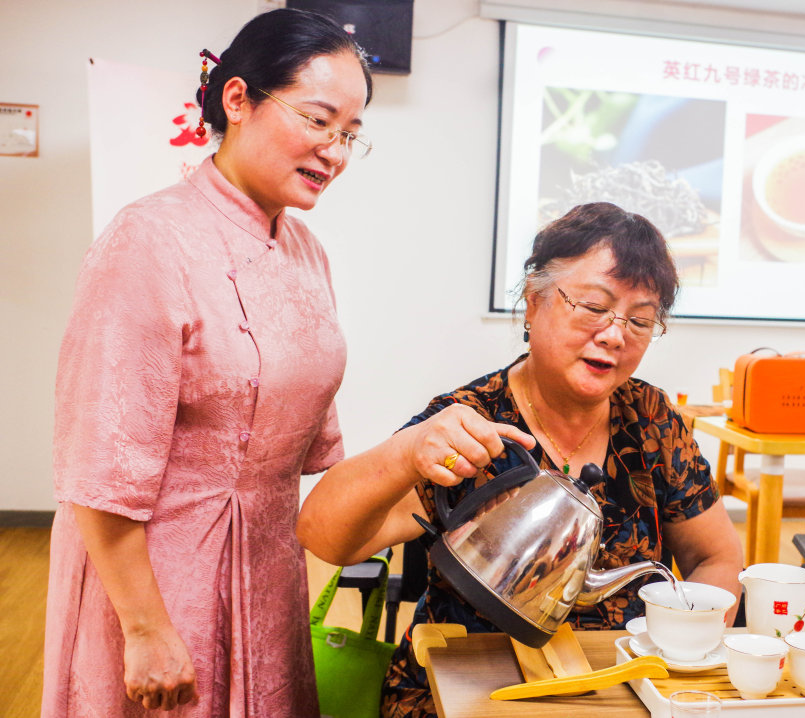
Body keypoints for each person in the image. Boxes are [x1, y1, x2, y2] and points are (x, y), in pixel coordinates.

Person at [43, 9, 373, 716]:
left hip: (267, 563)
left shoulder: (307, 251)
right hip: (156, 575)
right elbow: (95, 467)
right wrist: (145, 629)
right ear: (238, 100)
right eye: (319, 121)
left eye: (349, 134)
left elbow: (303, 441)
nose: (335, 151)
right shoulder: (148, 240)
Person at [297, 202, 745, 718]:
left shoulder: (650, 418)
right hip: (467, 691)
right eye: (594, 307)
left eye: (640, 320)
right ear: (533, 303)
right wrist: (405, 451)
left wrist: (684, 652)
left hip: (620, 689)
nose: (615, 334)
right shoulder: (471, 425)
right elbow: (323, 536)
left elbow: (717, 557)